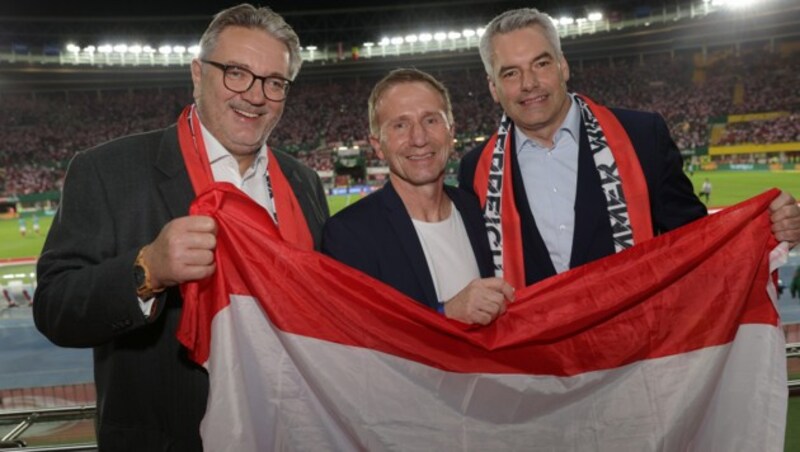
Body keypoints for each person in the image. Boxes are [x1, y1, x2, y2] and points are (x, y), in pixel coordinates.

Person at [33, 4, 329, 451]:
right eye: (235, 72)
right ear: (197, 73)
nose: (254, 95)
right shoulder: (107, 170)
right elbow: (55, 309)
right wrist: (146, 270)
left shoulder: (303, 183)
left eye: (274, 82)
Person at [458, 8, 800, 288]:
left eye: (541, 63)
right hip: (537, 362)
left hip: (635, 355)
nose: (529, 83)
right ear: (493, 87)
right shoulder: (476, 170)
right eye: (510, 73)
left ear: (563, 66)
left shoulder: (641, 135)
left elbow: (696, 239)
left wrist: (767, 229)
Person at [322, 68, 514, 325]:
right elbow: (357, 342)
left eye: (431, 120)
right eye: (400, 125)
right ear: (378, 146)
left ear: (451, 132)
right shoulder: (349, 234)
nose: (419, 138)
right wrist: (445, 315)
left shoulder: (478, 211)